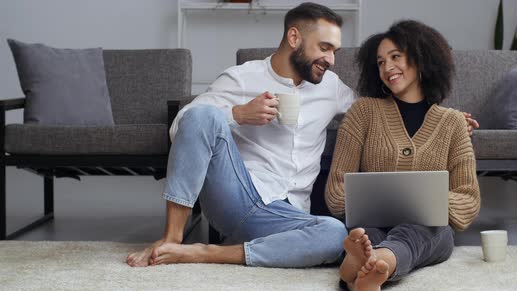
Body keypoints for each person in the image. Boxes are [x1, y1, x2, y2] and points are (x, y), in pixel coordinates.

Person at [127, 2, 478, 269]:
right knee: (202, 113)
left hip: (292, 216)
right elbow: (183, 125)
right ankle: (172, 238)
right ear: (294, 37)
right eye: (324, 48)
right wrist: (238, 114)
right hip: (237, 197)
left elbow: (383, 110)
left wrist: (445, 117)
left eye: (335, 52)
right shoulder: (241, 77)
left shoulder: (331, 87)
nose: (331, 60)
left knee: (333, 235)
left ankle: (208, 253)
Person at [325, 20, 481, 291]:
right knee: (365, 235)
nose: (387, 67)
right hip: (369, 222)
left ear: (422, 58)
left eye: (396, 57)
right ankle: (370, 271)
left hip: (428, 228)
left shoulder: (452, 123)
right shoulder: (363, 112)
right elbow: (336, 189)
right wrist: (372, 201)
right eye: (381, 61)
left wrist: (426, 202)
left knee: (423, 232)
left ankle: (362, 269)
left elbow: (468, 198)